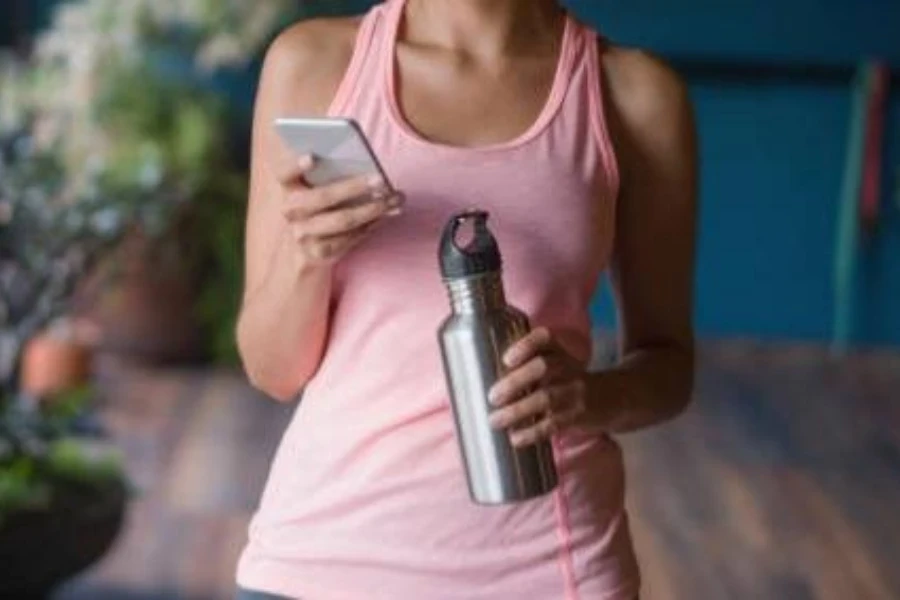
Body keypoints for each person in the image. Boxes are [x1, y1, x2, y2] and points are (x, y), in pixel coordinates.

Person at [234, 0, 697, 597]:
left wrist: (588, 396)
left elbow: (668, 368)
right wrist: (304, 258)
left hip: (548, 571)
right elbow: (272, 369)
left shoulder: (634, 95)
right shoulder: (316, 63)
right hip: (319, 560)